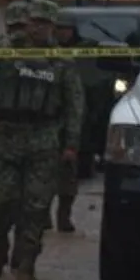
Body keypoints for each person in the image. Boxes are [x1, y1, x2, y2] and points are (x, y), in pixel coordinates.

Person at [0, 0, 84, 280]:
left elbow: (74, 105)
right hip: (5, 136)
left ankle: (26, 267)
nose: (38, 28)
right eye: (34, 22)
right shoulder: (1, 52)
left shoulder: (61, 61)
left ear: (53, 27)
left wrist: (71, 144)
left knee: (36, 206)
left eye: (45, 23)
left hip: (44, 138)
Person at [52, 19, 83, 233]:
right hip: (42, 124)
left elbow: (76, 100)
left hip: (67, 124)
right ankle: (40, 215)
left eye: (67, 29)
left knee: (68, 176)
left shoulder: (78, 55)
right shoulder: (42, 52)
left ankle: (64, 215)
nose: (63, 34)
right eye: (60, 29)